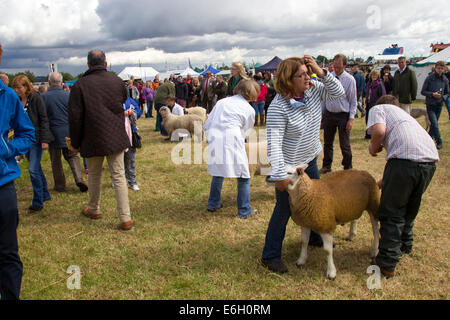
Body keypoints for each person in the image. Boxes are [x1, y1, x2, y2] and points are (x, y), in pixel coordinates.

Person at [261, 56, 345, 274]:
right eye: (302, 74)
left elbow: (338, 93)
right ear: (289, 80)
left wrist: (321, 71)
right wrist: (280, 176)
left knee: (316, 199)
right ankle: (270, 255)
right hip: (289, 166)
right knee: (284, 209)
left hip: (310, 159)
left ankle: (316, 238)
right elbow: (275, 145)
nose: (308, 77)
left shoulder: (314, 90)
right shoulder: (278, 107)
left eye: (308, 73)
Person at [367, 94, 439, 278]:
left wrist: (373, 147)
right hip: (429, 161)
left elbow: (379, 132)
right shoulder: (405, 117)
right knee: (409, 205)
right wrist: (384, 182)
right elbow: (407, 160)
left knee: (392, 212)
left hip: (405, 162)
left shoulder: (378, 109)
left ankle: (386, 263)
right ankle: (405, 244)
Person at [68, 50, 134, 231]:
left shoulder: (80, 85)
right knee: (119, 176)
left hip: (92, 136)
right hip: (115, 135)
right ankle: (125, 217)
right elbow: (122, 100)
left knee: (95, 175)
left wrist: (75, 142)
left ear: (88, 64)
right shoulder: (116, 81)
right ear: (105, 63)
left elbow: (75, 118)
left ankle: (93, 208)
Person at [0, 42, 35, 300]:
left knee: (8, 251)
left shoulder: (7, 96)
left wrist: (7, 148)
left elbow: (27, 133)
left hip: (2, 184)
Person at [204, 79, 260, 219]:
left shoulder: (222, 102)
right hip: (232, 139)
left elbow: (208, 122)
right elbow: (246, 131)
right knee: (243, 176)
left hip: (214, 137)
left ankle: (213, 203)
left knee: (218, 172)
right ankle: (244, 210)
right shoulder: (249, 109)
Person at [12, 75, 54, 211]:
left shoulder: (36, 98)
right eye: (15, 88)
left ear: (26, 87)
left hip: (36, 139)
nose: (17, 90)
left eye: (19, 87)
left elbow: (43, 119)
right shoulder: (17, 100)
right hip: (23, 139)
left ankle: (38, 201)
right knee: (36, 168)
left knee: (32, 170)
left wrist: (45, 140)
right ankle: (45, 193)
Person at [42, 72, 87, 193]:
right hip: (68, 131)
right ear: (61, 83)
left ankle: (60, 185)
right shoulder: (68, 96)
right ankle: (79, 178)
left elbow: (43, 117)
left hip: (53, 133)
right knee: (73, 156)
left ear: (49, 83)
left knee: (56, 161)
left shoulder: (44, 97)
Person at [319, 54, 357, 174]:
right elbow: (323, 98)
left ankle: (347, 167)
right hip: (329, 114)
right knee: (327, 143)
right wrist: (322, 114)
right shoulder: (329, 78)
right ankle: (326, 165)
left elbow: (353, 100)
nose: (336, 69)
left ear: (344, 65)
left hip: (343, 115)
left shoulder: (350, 80)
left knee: (344, 144)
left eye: (339, 67)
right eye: (335, 66)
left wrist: (351, 119)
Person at [420, 60, 449, 150]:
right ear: (435, 68)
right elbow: (423, 91)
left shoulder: (445, 79)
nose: (440, 70)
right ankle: (439, 141)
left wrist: (442, 97)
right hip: (430, 104)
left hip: (439, 104)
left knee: (433, 125)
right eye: (438, 68)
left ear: (444, 69)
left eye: (441, 68)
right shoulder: (429, 78)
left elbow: (447, 92)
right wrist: (432, 94)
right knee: (435, 124)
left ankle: (427, 139)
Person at [123, 97, 142, 191]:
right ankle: (117, 180)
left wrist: (130, 113)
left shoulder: (130, 100)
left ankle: (132, 181)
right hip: (116, 134)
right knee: (117, 161)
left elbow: (138, 112)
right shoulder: (111, 100)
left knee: (130, 159)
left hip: (131, 133)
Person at [364, 69, 386, 139]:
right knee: (368, 119)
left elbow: (382, 95)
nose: (374, 76)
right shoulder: (369, 84)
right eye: (373, 75)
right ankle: (368, 134)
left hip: (376, 105)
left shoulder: (379, 84)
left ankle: (374, 135)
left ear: (378, 75)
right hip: (369, 104)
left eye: (375, 75)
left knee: (375, 120)